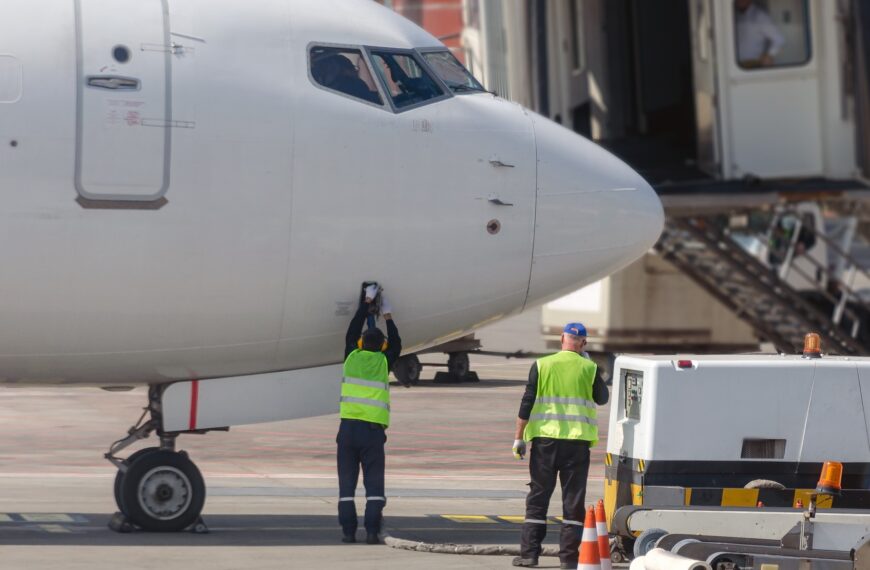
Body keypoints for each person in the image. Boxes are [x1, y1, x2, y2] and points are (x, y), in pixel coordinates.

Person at [511, 323, 609, 569]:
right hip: (576, 444)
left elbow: (527, 402)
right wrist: (589, 365)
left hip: (545, 443)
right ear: (583, 344)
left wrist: (519, 438)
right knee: (573, 501)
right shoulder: (589, 367)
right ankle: (568, 559)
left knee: (539, 496)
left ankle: (530, 555)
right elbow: (602, 398)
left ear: (561, 339)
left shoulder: (542, 365)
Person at [337, 283, 401, 545]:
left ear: (362, 344)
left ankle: (348, 532)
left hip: (348, 431)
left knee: (347, 488)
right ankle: (373, 531)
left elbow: (352, 331)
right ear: (383, 346)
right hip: (373, 433)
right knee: (374, 487)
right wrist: (388, 316)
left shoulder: (351, 357)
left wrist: (366, 303)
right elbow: (397, 343)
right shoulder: (385, 362)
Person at [735, 0, 785, 68]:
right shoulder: (736, 15)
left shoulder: (759, 16)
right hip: (736, 64)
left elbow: (779, 39)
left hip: (753, 64)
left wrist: (769, 55)